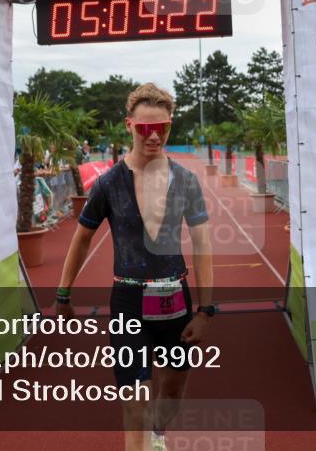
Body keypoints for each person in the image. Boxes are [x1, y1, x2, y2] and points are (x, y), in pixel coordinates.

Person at [56, 83, 214, 451]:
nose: (154, 136)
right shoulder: (109, 183)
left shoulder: (186, 181)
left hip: (176, 301)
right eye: (144, 128)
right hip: (128, 302)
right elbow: (81, 239)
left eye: (162, 128)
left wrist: (205, 310)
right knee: (134, 401)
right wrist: (63, 293)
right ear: (129, 125)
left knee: (172, 391)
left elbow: (203, 245)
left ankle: (156, 435)